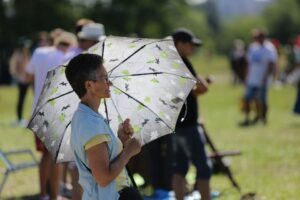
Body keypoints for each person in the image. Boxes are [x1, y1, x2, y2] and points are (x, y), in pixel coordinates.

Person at [65, 53, 143, 200]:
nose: (110, 83)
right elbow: (103, 177)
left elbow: (103, 158)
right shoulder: (90, 123)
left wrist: (120, 139)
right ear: (89, 85)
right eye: (105, 78)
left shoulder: (87, 116)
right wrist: (128, 151)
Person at [25, 30, 76, 200]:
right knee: (56, 155)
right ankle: (54, 196)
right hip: (55, 112)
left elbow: (27, 76)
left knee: (45, 156)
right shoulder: (66, 57)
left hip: (37, 110)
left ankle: (43, 194)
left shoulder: (39, 53)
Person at [171, 28, 212, 200]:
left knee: (179, 169)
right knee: (204, 168)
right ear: (180, 44)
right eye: (190, 44)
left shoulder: (168, 63)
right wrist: (203, 81)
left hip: (175, 125)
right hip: (189, 125)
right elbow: (199, 89)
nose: (193, 48)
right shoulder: (183, 62)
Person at [240, 29, 277, 126]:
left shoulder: (269, 48)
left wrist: (266, 77)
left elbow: (271, 64)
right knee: (247, 99)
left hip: (262, 79)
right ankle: (251, 118)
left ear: (263, 37)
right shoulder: (253, 47)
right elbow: (249, 64)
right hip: (252, 79)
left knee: (262, 100)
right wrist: (246, 77)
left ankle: (263, 119)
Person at [9, 37, 31, 127]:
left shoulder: (28, 54)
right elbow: (13, 68)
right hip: (21, 80)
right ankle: (19, 119)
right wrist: (18, 76)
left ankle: (22, 118)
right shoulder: (18, 54)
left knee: (24, 99)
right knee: (21, 99)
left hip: (27, 79)